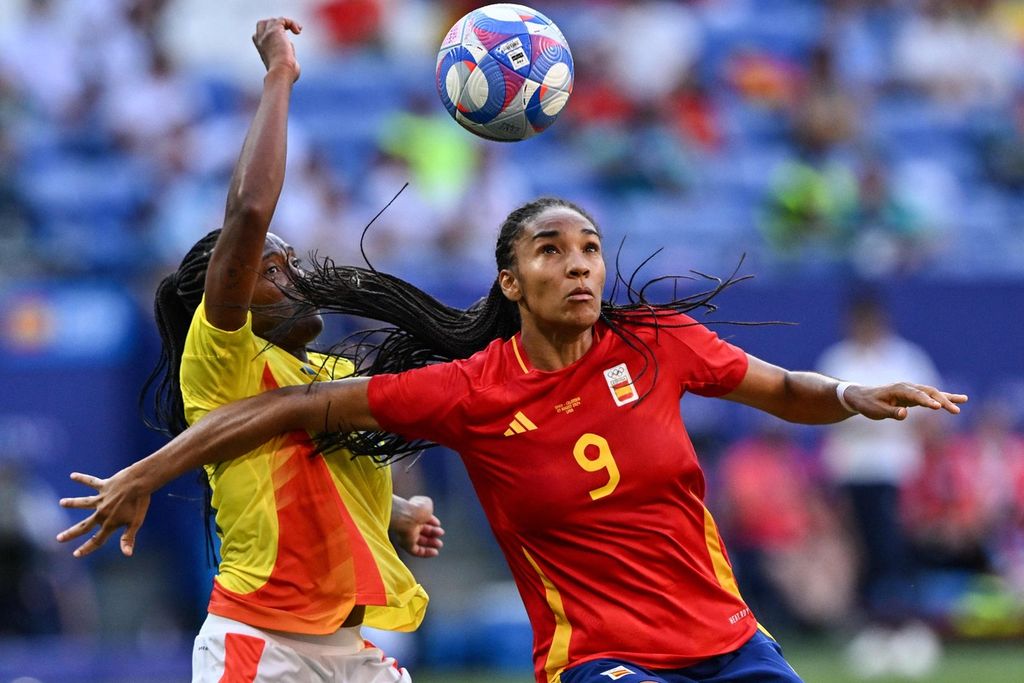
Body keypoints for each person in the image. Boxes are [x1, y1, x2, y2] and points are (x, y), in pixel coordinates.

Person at [58, 196, 967, 683]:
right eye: (550, 250)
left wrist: (851, 392)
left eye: (589, 249)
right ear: (511, 278)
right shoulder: (467, 390)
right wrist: (149, 468)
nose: (576, 263)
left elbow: (782, 390)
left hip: (729, 640)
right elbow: (277, 416)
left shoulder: (655, 343)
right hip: (599, 659)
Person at [87, 17, 443, 683]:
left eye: (293, 262)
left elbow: (312, 467)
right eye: (269, 269)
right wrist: (279, 73)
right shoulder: (224, 360)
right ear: (225, 291)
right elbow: (250, 212)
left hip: (355, 650)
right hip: (262, 648)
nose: (294, 275)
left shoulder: (332, 371)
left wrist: (395, 511)